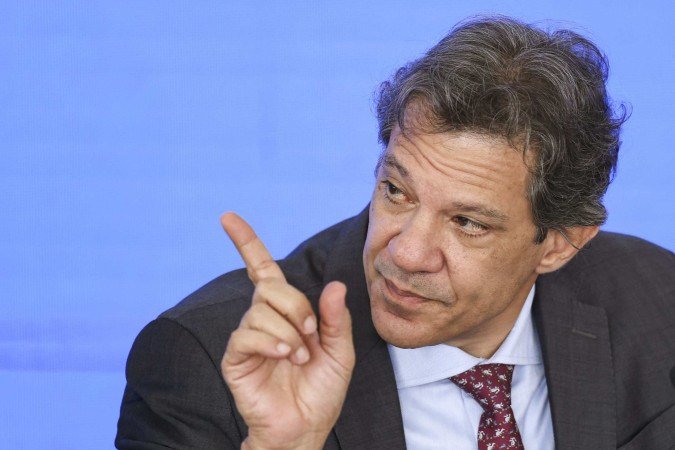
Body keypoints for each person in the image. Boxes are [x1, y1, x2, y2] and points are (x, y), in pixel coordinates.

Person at [116, 16, 675, 450]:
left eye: (467, 223)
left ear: (559, 243)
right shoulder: (204, 362)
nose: (406, 253)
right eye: (396, 191)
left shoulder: (658, 303)